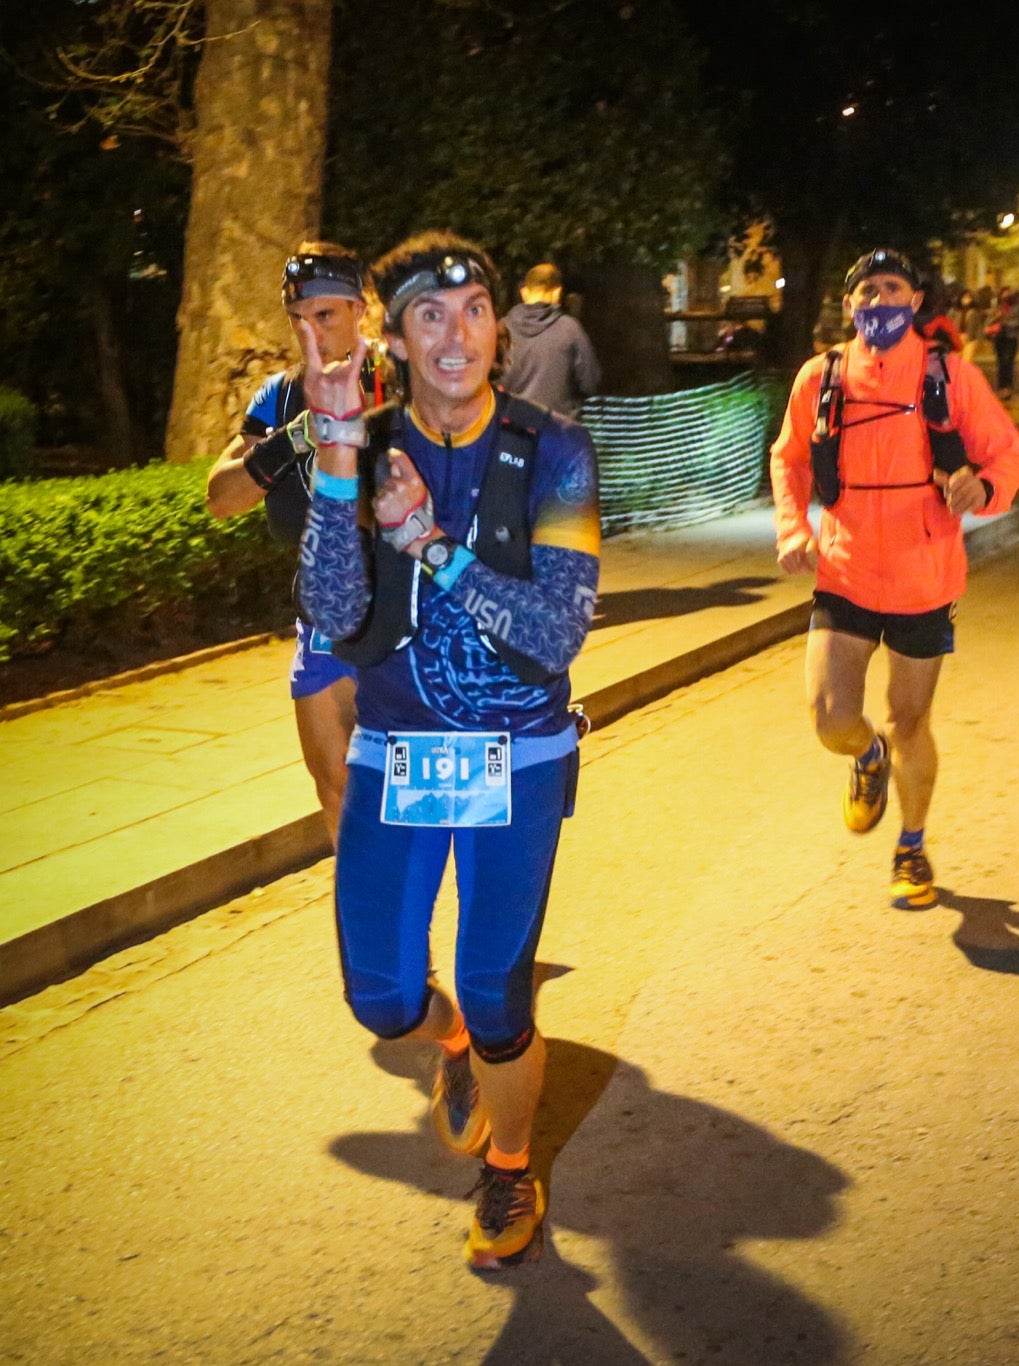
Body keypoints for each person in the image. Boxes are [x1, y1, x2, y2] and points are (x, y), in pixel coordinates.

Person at [297, 232, 601, 1269]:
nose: (455, 334)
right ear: (397, 334)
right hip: (400, 754)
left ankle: (510, 1163)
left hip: (516, 757)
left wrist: (437, 548)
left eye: (473, 312)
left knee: (496, 990)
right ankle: (451, 1045)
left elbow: (558, 633)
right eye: (429, 314)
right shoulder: (363, 439)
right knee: (381, 998)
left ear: (498, 327)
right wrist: (336, 455)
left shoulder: (554, 449)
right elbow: (335, 615)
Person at [770, 248, 1019, 909]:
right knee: (830, 718)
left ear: (915, 302)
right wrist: (793, 529)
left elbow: (1007, 456)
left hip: (923, 575)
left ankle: (911, 847)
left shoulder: (952, 376)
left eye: (893, 290)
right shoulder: (820, 376)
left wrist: (985, 487)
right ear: (850, 303)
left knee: (910, 721)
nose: (879, 301)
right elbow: (789, 458)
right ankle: (866, 757)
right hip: (845, 567)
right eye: (867, 291)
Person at [205, 242, 380, 845]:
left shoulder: (404, 380)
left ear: (361, 309)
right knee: (337, 787)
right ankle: (372, 931)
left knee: (418, 798)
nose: (309, 332)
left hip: (408, 619)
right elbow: (221, 497)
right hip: (324, 619)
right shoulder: (276, 400)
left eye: (324, 316)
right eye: (297, 320)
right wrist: (298, 435)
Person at [500, 262, 601, 417]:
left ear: (524, 292)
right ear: (557, 293)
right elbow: (590, 382)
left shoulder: (501, 329)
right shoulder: (570, 329)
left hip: (512, 430)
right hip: (558, 431)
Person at [985, 286, 1019, 400]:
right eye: (1004, 294)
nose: (1006, 297)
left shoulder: (1016, 309)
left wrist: (1004, 324)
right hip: (999, 339)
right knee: (1001, 363)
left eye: (1008, 295)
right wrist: (996, 319)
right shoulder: (997, 309)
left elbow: (1017, 322)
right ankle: (1001, 387)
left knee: (1008, 362)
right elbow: (988, 322)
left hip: (1011, 338)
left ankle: (1008, 388)